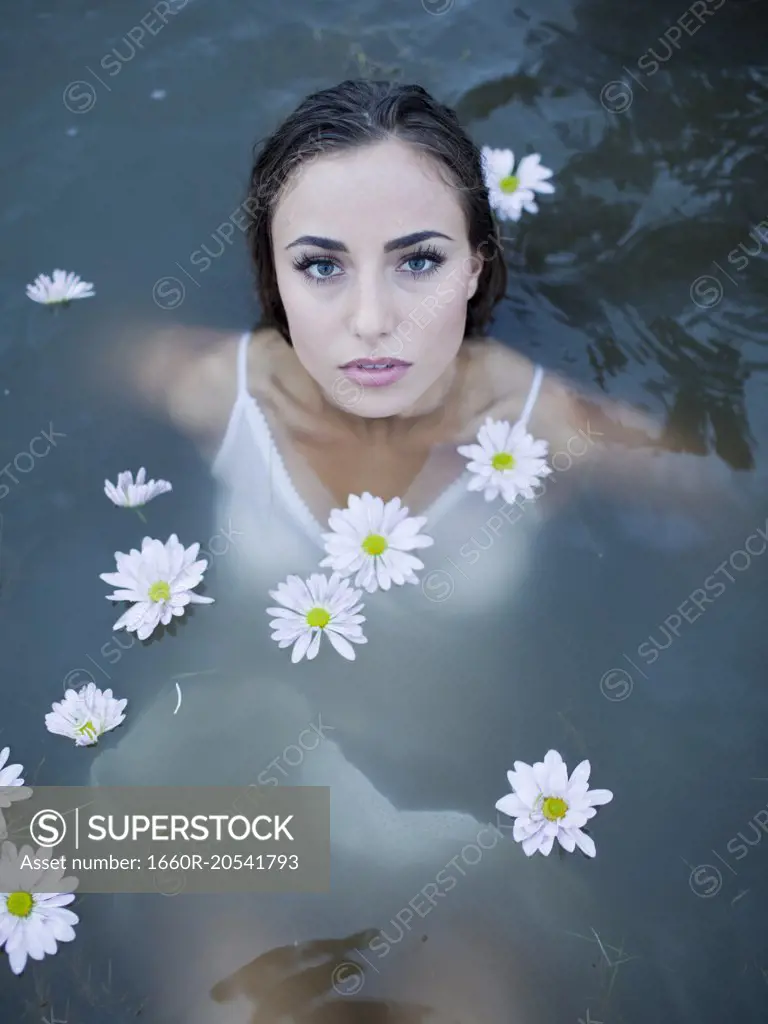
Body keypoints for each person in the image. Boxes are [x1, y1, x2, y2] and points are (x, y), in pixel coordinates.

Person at [91, 79, 732, 1023]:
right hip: (226, 789)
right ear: (272, 275)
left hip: (456, 831)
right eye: (320, 266)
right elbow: (82, 356)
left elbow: (723, 504)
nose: (369, 321)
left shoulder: (541, 425)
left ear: (478, 264)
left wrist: (565, 429)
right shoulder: (219, 391)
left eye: (418, 261)